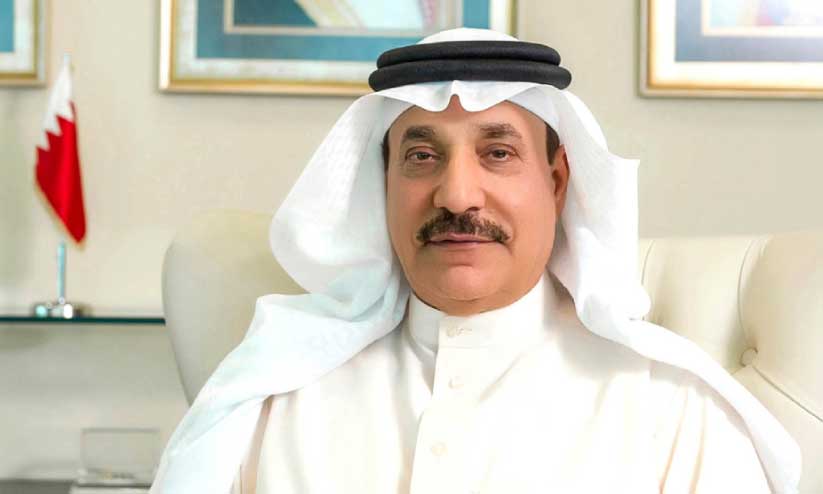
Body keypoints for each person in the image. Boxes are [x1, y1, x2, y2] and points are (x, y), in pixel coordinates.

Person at [150, 28, 801, 494]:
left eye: (497, 153)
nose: (457, 194)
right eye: (421, 156)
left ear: (556, 181)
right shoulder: (269, 401)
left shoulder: (674, 408)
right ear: (382, 187)